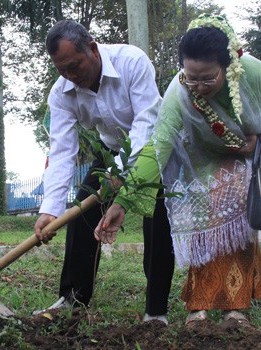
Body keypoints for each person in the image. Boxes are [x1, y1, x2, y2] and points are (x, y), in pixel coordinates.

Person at [96, 14, 261, 327]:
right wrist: (123, 201)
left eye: (208, 78)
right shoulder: (178, 95)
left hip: (245, 158)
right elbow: (157, 148)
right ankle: (199, 307)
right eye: (192, 78)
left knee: (237, 215)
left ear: (228, 65)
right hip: (198, 162)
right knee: (204, 224)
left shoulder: (256, 74)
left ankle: (236, 309)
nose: (199, 86)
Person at [33, 19, 174, 324]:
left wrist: (122, 175)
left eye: (75, 66)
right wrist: (51, 210)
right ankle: (73, 298)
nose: (71, 76)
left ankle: (156, 310)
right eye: (62, 70)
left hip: (155, 149)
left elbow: (145, 126)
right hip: (110, 152)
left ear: (93, 49)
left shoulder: (132, 61)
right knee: (82, 212)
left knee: (157, 221)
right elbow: (61, 153)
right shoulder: (61, 94)